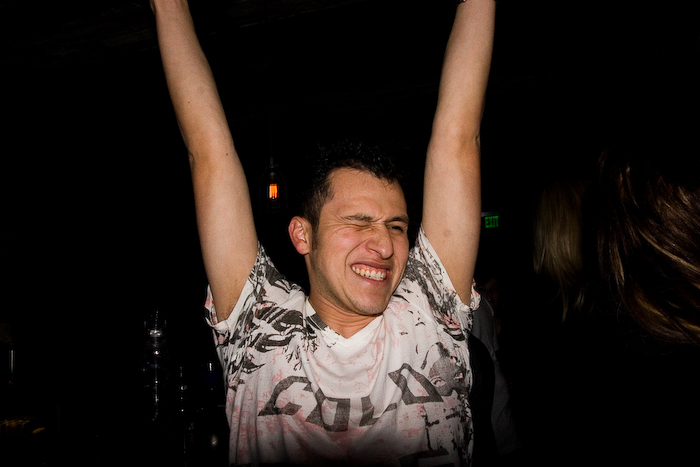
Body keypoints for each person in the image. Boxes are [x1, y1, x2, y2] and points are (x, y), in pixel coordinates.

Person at [151, 0, 495, 465]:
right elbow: (208, 151)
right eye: (358, 222)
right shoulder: (259, 323)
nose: (384, 244)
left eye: (396, 226)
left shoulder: (429, 311)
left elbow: (459, 138)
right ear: (302, 236)